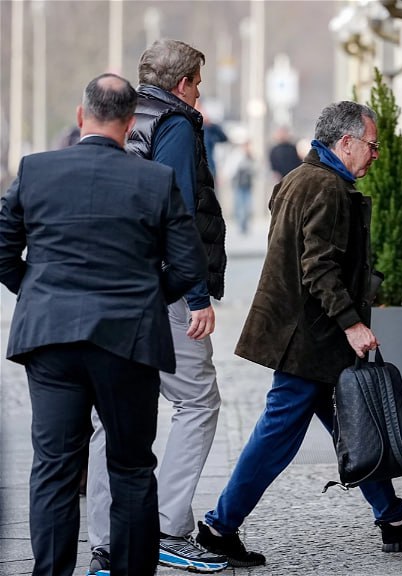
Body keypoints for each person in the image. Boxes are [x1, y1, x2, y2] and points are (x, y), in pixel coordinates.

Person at [195, 101, 402, 567]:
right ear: (346, 142)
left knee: (352, 425)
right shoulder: (327, 188)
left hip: (305, 335)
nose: (376, 154)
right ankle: (219, 526)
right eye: (372, 146)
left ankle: (393, 519)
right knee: (277, 436)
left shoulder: (299, 177)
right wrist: (352, 324)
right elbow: (318, 267)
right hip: (309, 339)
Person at [0, 73, 207, 576]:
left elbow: (4, 251)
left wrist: (39, 290)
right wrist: (142, 299)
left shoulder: (35, 170)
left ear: (80, 115)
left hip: (50, 341)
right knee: (132, 467)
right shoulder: (154, 180)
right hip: (128, 341)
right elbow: (187, 266)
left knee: (53, 469)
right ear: (130, 122)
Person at [86, 39, 228, 575]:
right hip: (164, 287)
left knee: (108, 416)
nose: (200, 92)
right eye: (198, 81)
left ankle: (104, 544)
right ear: (184, 82)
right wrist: (196, 296)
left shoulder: (126, 115)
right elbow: (181, 211)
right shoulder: (174, 124)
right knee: (198, 401)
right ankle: (167, 526)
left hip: (116, 283)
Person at [232, 140, 255, 234]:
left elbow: (255, 169)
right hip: (238, 185)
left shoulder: (250, 157)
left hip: (247, 185)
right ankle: (241, 225)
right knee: (239, 206)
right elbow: (232, 169)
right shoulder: (237, 156)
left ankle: (245, 224)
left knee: (247, 206)